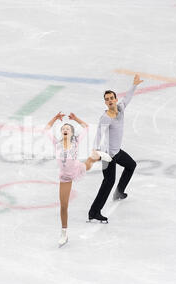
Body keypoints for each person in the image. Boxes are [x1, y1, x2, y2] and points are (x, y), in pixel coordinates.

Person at [45, 112, 111, 247]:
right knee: (63, 206)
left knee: (87, 165)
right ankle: (64, 233)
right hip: (65, 176)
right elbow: (46, 129)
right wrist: (54, 119)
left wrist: (75, 119)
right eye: (63, 129)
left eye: (68, 129)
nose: (65, 130)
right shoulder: (56, 143)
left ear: (71, 133)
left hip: (75, 168)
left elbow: (86, 127)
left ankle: (97, 156)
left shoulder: (75, 141)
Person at [88, 74, 144, 223]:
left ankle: (119, 192)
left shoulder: (120, 108)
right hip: (108, 155)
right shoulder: (106, 117)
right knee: (108, 181)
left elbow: (128, 98)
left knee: (131, 165)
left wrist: (134, 85)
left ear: (115, 99)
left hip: (117, 152)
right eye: (107, 99)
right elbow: (99, 134)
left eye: (111, 98)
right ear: (105, 103)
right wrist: (95, 151)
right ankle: (94, 212)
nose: (110, 101)